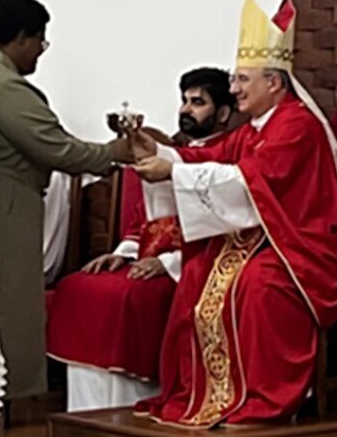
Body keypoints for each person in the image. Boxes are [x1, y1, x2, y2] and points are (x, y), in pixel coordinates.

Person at [130, 0, 337, 427]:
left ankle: (265, 398)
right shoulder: (256, 126)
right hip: (269, 236)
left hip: (305, 245)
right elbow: (210, 158)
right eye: (234, 79)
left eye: (241, 80)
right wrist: (160, 154)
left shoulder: (296, 125)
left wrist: (170, 172)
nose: (233, 89)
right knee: (196, 273)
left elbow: (251, 180)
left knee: (257, 284)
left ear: (274, 83)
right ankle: (207, 392)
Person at [0, 0, 133, 399]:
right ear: (21, 38)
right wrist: (116, 153)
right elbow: (57, 148)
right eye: (40, 40)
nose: (41, 50)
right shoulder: (0, 84)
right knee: (12, 306)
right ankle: (18, 404)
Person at [46, 67, 238, 411]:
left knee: (130, 297)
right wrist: (125, 252)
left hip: (192, 263)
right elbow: (141, 218)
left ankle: (123, 411)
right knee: (78, 285)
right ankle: (85, 413)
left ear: (223, 112)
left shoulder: (229, 155)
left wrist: (165, 263)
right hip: (149, 257)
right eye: (184, 101)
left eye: (198, 102)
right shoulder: (170, 151)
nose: (186, 110)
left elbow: (225, 224)